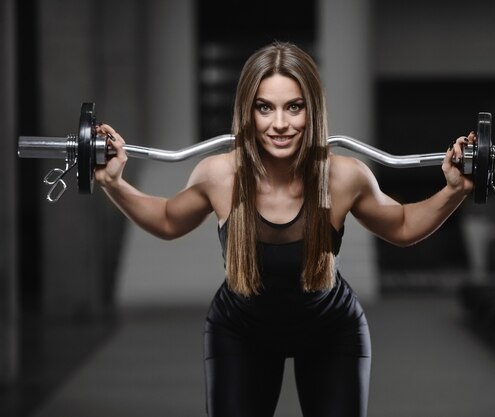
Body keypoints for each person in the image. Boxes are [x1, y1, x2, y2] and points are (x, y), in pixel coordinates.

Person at [95, 41, 474, 417]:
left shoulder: (342, 176)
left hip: (331, 332)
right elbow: (167, 220)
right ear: (248, 111)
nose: (280, 124)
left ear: (313, 111)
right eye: (265, 108)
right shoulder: (221, 175)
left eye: (294, 107)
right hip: (241, 332)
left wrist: (454, 190)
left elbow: (404, 225)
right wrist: (114, 183)